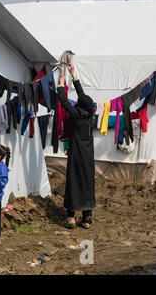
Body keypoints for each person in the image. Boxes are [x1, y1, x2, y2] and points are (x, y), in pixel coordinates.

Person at [57, 64, 96, 229]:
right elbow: (82, 96)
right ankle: (86, 219)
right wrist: (74, 75)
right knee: (87, 183)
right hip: (88, 156)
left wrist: (60, 82)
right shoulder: (90, 115)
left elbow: (64, 101)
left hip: (75, 154)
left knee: (73, 183)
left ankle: (71, 218)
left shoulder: (76, 114)